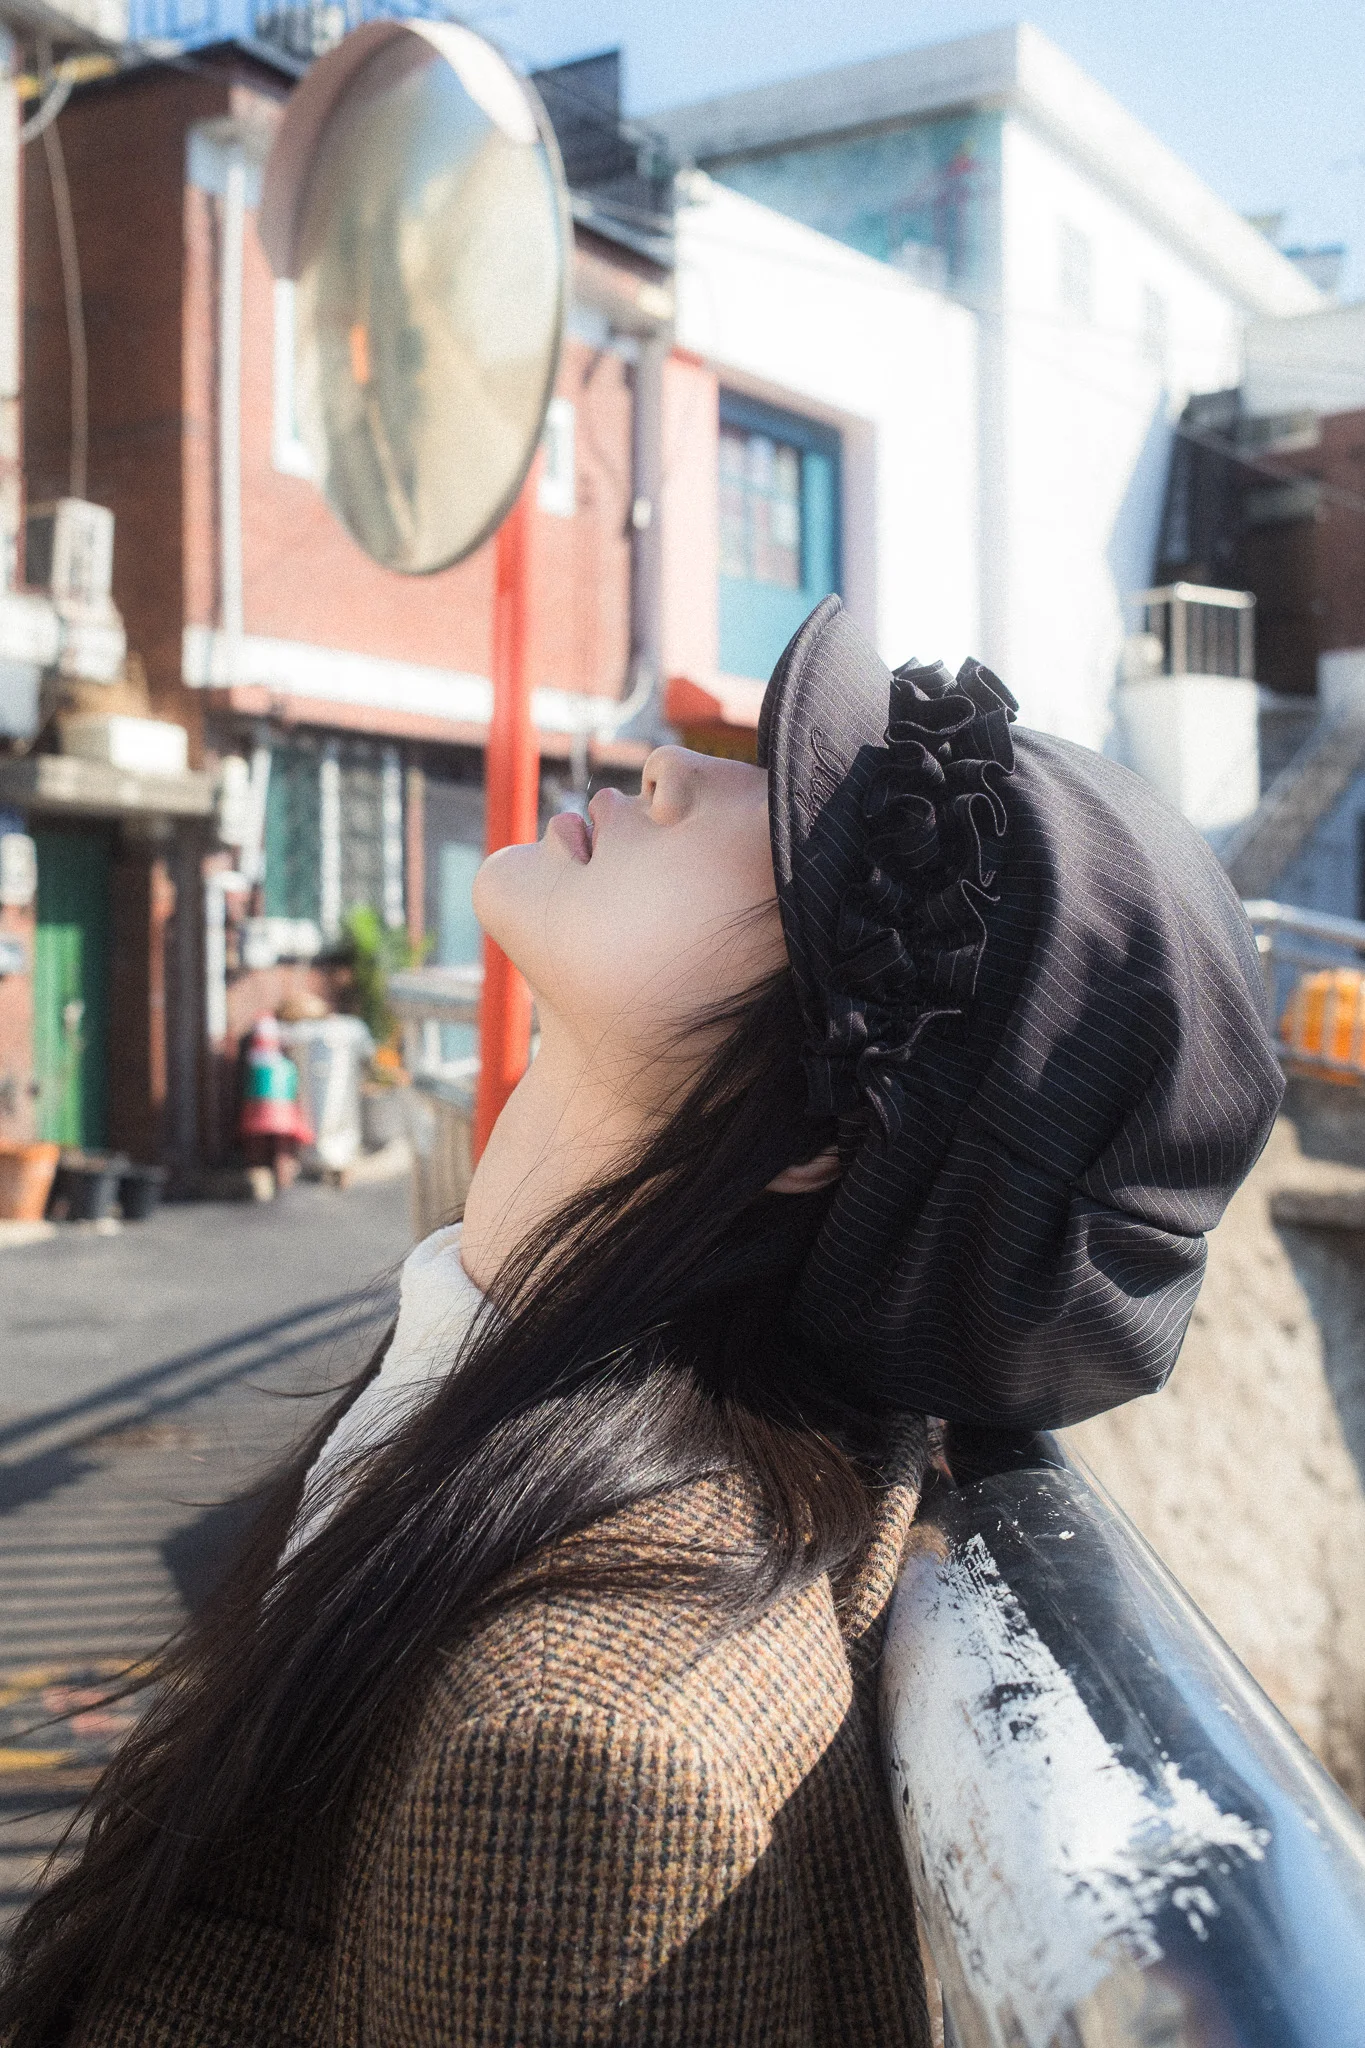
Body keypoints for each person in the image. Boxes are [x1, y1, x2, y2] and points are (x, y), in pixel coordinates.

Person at [0, 597, 1283, 2047]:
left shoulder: (587, 1765)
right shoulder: (506, 1409)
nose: (675, 769)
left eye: (803, 835)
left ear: (818, 1129)